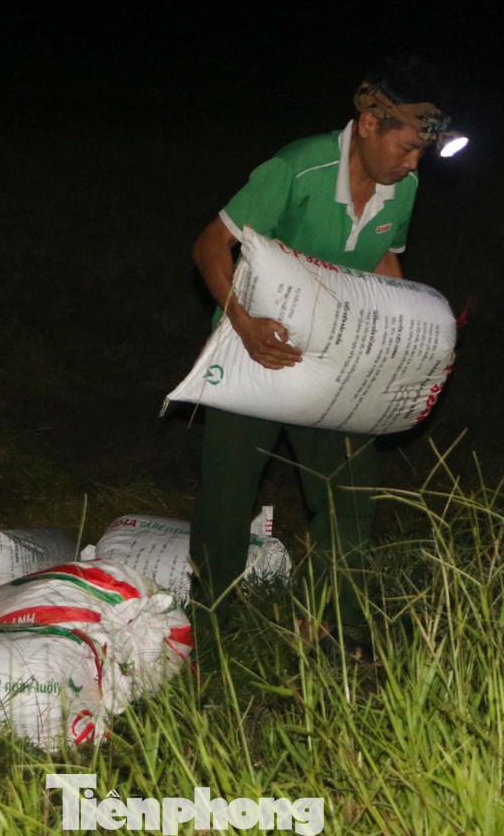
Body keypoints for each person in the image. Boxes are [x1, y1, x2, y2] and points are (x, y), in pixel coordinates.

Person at [188, 55, 456, 654]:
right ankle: (209, 635)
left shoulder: (401, 187)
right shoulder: (297, 167)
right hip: (251, 356)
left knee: (351, 499)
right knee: (227, 503)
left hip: (334, 361)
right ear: (368, 124)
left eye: (422, 152)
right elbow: (210, 246)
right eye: (407, 147)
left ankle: (322, 624)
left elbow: (386, 265)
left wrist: (408, 338)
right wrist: (244, 322)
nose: (414, 164)